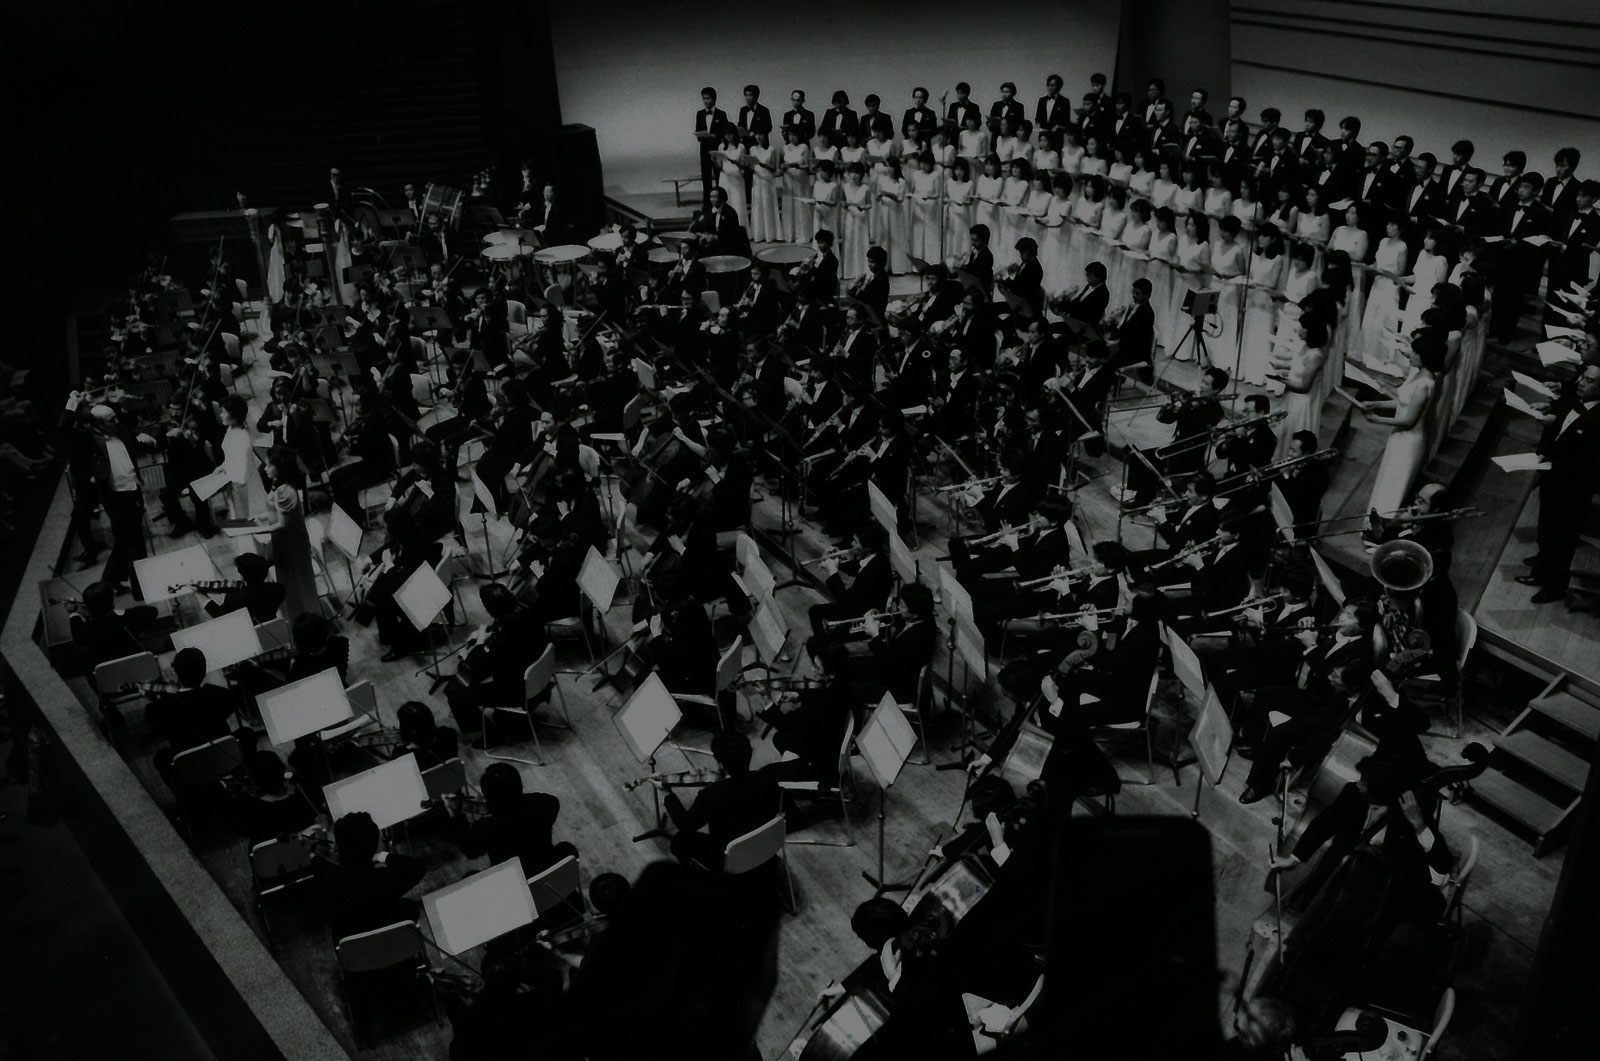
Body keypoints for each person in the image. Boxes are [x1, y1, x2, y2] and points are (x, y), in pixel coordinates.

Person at [1517, 364, 1600, 603]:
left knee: (1562, 538)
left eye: (1590, 381)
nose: (1581, 382)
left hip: (1573, 488)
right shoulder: (1578, 400)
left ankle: (1554, 587)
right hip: (1554, 476)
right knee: (1547, 527)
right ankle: (1541, 568)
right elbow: (1564, 428)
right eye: (1582, 377)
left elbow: (1587, 461)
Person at [660, 730, 779, 871]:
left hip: (731, 861)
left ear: (721, 764)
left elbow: (686, 825)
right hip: (766, 852)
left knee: (680, 841)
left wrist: (667, 793)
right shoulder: (768, 778)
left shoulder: (710, 797)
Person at [447, 762, 576, 877]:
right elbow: (550, 800)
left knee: (469, 876)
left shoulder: (486, 827)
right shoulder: (545, 805)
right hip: (547, 871)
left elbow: (471, 851)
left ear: (488, 797)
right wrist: (513, 798)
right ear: (519, 785)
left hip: (513, 877)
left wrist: (455, 815)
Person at [1364, 331, 1443, 516]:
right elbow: (1403, 403)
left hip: (1409, 440)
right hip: (1399, 436)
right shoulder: (1417, 375)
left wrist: (1377, 419)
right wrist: (1376, 404)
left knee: (1394, 486)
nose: (1411, 355)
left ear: (1426, 357)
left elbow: (1409, 420)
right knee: (1387, 480)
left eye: (1416, 353)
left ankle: (1384, 521)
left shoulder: (1424, 384)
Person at [318, 810, 427, 942]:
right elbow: (418, 867)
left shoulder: (328, 883)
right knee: (408, 906)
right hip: (397, 944)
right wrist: (381, 856)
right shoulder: (386, 879)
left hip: (356, 951)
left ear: (339, 846)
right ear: (373, 846)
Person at [147, 647, 243, 784]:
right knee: (245, 733)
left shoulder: (159, 707)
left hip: (191, 767)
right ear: (204, 672)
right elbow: (231, 703)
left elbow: (156, 731)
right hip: (223, 757)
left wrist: (157, 699)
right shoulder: (220, 694)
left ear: (175, 671)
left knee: (161, 757)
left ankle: (185, 792)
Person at [253, 446, 320, 619]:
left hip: (292, 544)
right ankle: (295, 615)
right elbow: (274, 509)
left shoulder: (285, 491)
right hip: (283, 541)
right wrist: (260, 518)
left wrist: (256, 530)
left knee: (298, 583)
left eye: (269, 465)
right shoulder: (278, 483)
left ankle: (305, 618)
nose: (265, 468)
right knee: (289, 583)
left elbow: (282, 524)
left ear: (280, 467)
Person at [1272, 317, 1327, 458]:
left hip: (1301, 402)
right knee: (1284, 432)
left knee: (1294, 433)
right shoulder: (1303, 346)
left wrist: (1280, 379)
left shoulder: (1315, 356)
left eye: (1303, 327)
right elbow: (1297, 367)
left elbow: (1304, 387)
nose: (1299, 329)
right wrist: (1279, 365)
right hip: (1291, 396)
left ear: (1312, 332)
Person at [201, 550, 286, 622]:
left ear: (242, 574)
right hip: (272, 628)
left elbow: (220, 615)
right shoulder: (278, 589)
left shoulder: (233, 600)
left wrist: (204, 599)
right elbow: (256, 593)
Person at [216, 394, 256, 519]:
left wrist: (230, 480)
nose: (221, 415)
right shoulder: (231, 429)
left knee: (244, 517)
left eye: (224, 412)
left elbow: (243, 468)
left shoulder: (242, 438)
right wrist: (223, 467)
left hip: (241, 486)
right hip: (233, 482)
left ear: (234, 415)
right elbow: (231, 457)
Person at [693, 87, 728, 210]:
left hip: (717, 149)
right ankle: (707, 204)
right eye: (704, 99)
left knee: (719, 177)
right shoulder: (700, 114)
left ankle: (721, 203)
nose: (705, 101)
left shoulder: (721, 114)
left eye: (708, 98)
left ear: (714, 99)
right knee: (706, 178)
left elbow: (725, 132)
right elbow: (698, 130)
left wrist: (714, 136)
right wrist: (700, 135)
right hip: (704, 150)